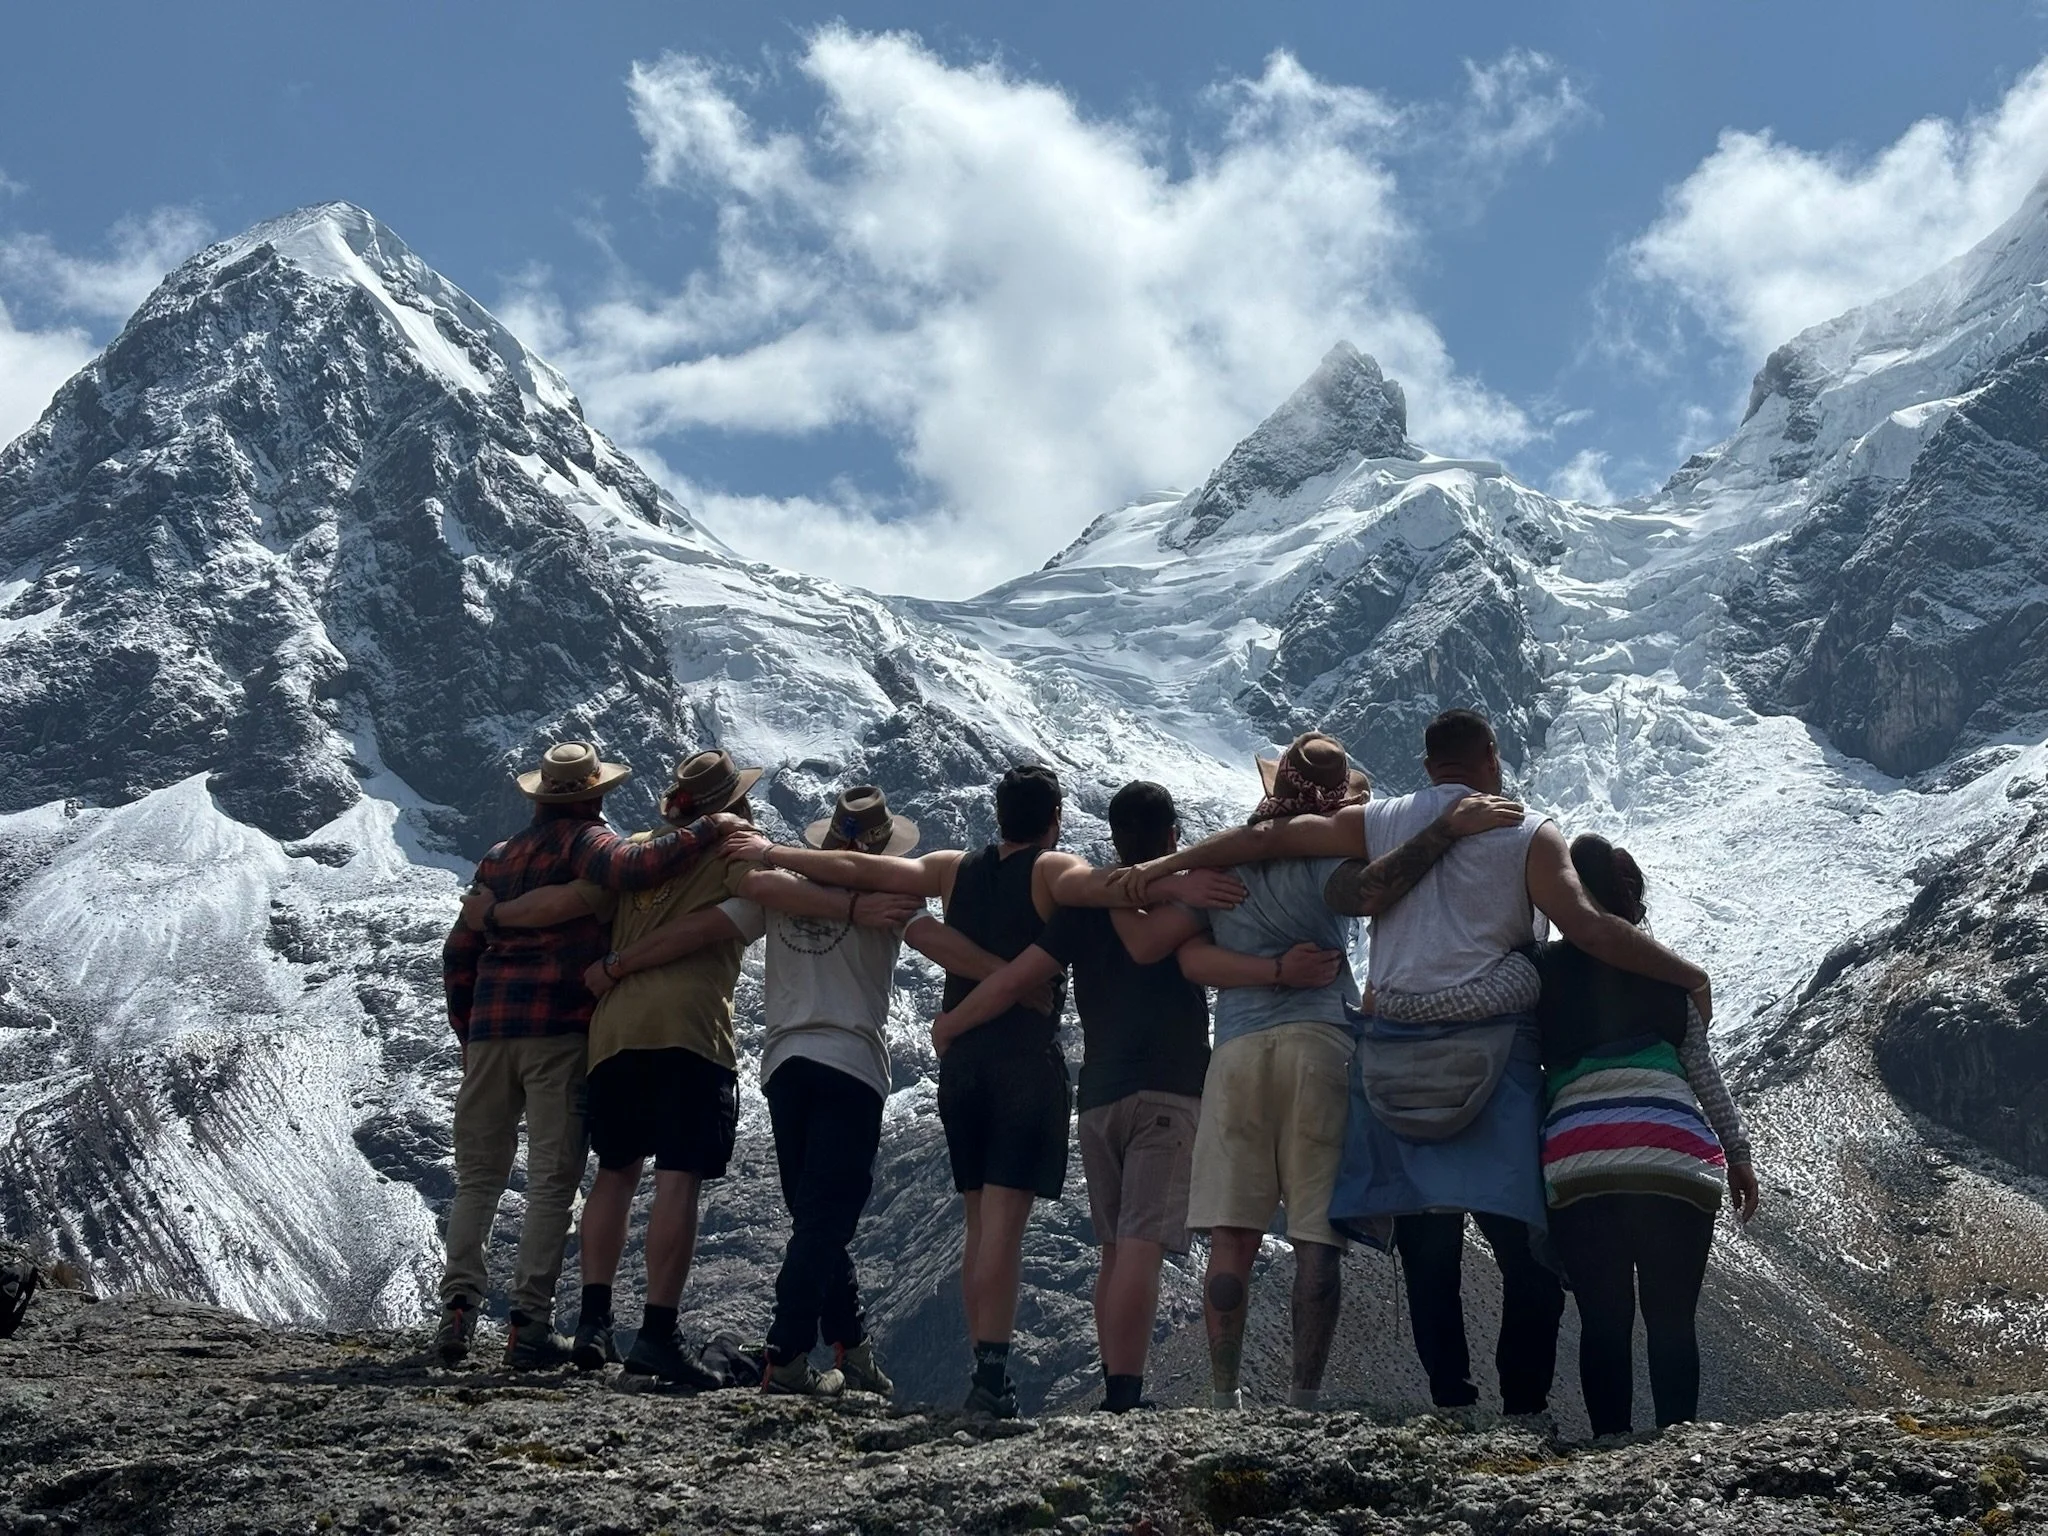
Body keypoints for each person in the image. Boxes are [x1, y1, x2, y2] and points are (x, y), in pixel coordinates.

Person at [1120, 711, 1712, 1417]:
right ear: (1490, 758)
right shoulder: (1528, 831)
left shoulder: (1378, 822)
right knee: (1525, 1248)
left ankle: (1451, 1403)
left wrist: (1157, 870)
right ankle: (1524, 1407)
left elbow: (1264, 838)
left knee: (1430, 1253)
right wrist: (1684, 974)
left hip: (1394, 1055)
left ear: (1428, 764)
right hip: (1499, 1057)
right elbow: (1585, 928)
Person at [722, 762, 1245, 1418]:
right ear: (1054, 821)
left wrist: (771, 849)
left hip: (963, 1069)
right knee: (1003, 1227)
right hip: (1024, 1060)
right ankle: (993, 1377)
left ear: (997, 817)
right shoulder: (1054, 871)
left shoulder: (949, 867)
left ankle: (985, 1374)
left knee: (977, 1226)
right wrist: (1185, 876)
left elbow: (864, 871)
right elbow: (1114, 889)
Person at [929, 780, 1341, 1413]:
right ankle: (1125, 1394)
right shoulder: (1192, 898)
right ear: (1173, 835)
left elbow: (1016, 977)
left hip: (1096, 1096)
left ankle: (1107, 1382)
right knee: (1142, 1244)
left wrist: (954, 1023)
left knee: (1115, 1248)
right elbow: (1168, 951)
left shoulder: (1085, 905)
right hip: (1169, 1086)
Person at [463, 748, 765, 1386]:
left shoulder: (629, 851)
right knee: (678, 1178)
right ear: (730, 803)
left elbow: (575, 905)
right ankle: (657, 1332)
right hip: (689, 1027)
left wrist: (495, 917)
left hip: (611, 1032)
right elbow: (728, 918)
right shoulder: (736, 849)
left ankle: (593, 1323)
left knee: (615, 1172)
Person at [1537, 834, 1760, 1436]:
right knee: (1672, 1320)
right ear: (1630, 897)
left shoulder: (1539, 976)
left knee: (1604, 1320)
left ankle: (1610, 1445)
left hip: (1580, 1164)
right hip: (1674, 1158)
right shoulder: (1668, 978)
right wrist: (1737, 1156)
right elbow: (1704, 1075)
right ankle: (1678, 1448)